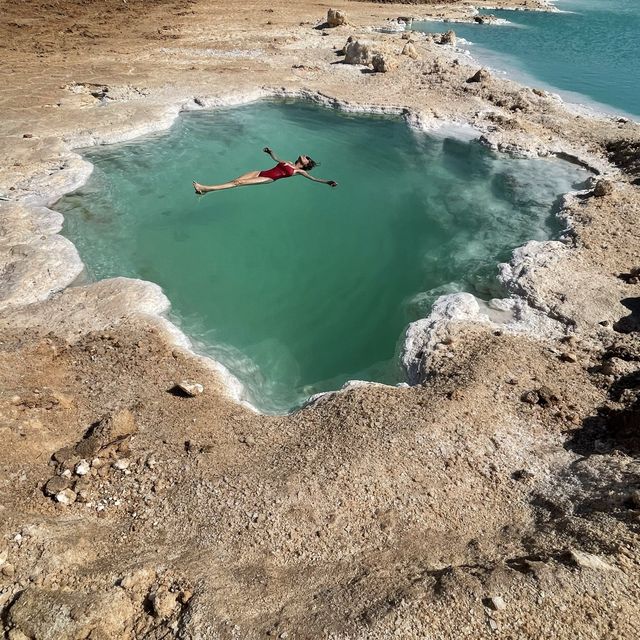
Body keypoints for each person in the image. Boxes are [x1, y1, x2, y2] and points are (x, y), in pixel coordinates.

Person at [192, 147, 338, 194]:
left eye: (307, 158)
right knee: (235, 180)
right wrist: (270, 152)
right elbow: (276, 159)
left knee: (238, 182)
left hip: (268, 179)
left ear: (305, 164)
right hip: (259, 172)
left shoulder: (299, 171)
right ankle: (204, 190)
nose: (305, 156)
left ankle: (205, 188)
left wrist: (327, 182)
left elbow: (314, 179)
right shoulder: (287, 162)